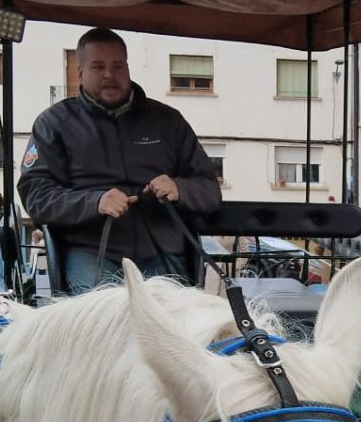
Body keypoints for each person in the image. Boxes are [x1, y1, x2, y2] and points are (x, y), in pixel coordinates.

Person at [18, 27, 221, 291]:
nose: (109, 75)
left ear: (127, 68)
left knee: (172, 322)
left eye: (118, 66)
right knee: (104, 322)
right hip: (89, 250)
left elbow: (209, 189)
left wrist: (179, 188)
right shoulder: (54, 124)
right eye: (98, 67)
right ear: (79, 73)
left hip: (161, 249)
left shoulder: (168, 121)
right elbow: (36, 194)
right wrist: (95, 202)